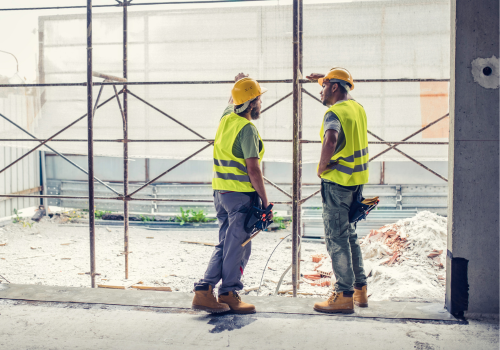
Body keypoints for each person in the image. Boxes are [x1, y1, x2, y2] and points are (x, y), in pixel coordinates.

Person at [192, 73, 273, 314]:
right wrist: (266, 202)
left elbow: (231, 102)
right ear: (253, 103)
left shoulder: (226, 119)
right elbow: (253, 170)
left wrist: (239, 85)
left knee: (227, 243)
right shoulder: (247, 129)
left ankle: (204, 291)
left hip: (221, 194)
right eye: (258, 99)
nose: (260, 103)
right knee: (238, 246)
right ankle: (227, 293)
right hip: (240, 196)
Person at [306, 67, 369, 314]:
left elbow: (331, 139)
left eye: (323, 87)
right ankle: (359, 291)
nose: (320, 91)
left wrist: (322, 166)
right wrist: (322, 77)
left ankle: (343, 294)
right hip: (355, 183)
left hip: (337, 184)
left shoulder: (334, 113)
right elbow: (336, 84)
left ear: (333, 87)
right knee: (350, 236)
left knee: (336, 239)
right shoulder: (357, 109)